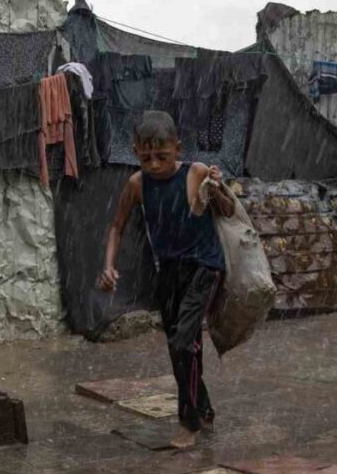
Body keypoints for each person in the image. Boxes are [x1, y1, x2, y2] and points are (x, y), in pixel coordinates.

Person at [97, 110, 234, 448]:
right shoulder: (137, 184)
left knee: (183, 342)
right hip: (168, 270)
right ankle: (203, 407)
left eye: (162, 156)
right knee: (182, 347)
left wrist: (217, 189)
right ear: (135, 152)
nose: (155, 164)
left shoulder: (196, 173)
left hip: (205, 266)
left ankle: (189, 422)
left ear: (178, 148)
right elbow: (116, 226)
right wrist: (108, 265)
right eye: (146, 158)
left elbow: (229, 210)